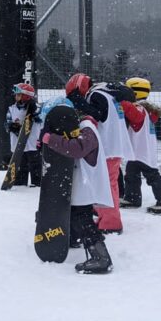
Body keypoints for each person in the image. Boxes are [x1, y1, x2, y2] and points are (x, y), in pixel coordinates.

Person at [40, 104, 115, 274]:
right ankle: (72, 238)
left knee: (82, 219)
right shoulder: (81, 127)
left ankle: (101, 258)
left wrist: (51, 139)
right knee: (74, 214)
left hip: (87, 184)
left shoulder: (87, 128)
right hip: (82, 184)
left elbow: (77, 148)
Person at [65, 73, 134, 234]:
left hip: (108, 146)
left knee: (107, 185)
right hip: (114, 145)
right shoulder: (107, 94)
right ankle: (106, 216)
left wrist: (78, 101)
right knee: (109, 183)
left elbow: (98, 115)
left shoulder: (96, 95)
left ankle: (111, 222)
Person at [121, 77, 161, 215]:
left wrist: (119, 99)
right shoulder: (148, 110)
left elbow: (131, 113)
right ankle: (132, 198)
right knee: (131, 174)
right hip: (139, 150)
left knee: (152, 176)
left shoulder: (138, 109)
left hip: (141, 151)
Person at [5, 82, 41, 186]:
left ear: (26, 96)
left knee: (35, 166)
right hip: (17, 145)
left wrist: (33, 111)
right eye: (16, 95)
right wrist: (11, 126)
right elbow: (6, 123)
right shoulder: (12, 109)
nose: (15, 97)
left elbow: (40, 119)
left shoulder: (37, 108)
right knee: (20, 167)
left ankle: (36, 185)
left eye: (18, 95)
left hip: (32, 144)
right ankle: (20, 185)